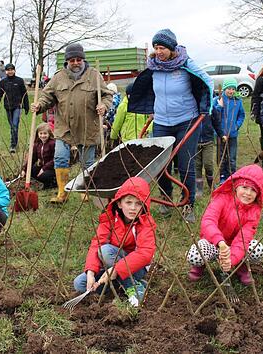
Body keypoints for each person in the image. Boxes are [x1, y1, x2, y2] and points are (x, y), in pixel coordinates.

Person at [128, 28, 213, 223]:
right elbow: (150, 90)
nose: (159, 51)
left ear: (171, 48)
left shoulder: (185, 64)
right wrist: (151, 108)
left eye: (162, 48)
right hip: (162, 122)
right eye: (156, 47)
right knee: (159, 164)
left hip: (187, 120)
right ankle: (166, 198)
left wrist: (206, 106)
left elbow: (207, 82)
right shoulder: (153, 67)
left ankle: (188, 204)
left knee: (185, 164)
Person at [31, 42, 113, 204]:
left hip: (88, 127)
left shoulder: (94, 75)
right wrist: (39, 105)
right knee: (60, 158)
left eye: (78, 59)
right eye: (72, 60)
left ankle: (86, 190)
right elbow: (47, 96)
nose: (75, 63)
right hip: (64, 128)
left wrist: (104, 105)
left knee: (87, 162)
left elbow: (107, 95)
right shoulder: (58, 77)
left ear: (83, 60)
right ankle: (62, 192)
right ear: (67, 61)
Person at [73, 177, 157, 307]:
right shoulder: (110, 218)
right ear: (119, 203)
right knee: (80, 284)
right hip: (111, 264)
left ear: (144, 205)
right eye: (128, 202)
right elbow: (97, 243)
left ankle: (133, 287)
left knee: (105, 251)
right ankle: (129, 284)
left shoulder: (145, 223)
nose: (133, 208)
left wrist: (117, 269)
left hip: (136, 267)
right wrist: (90, 272)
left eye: (139, 203)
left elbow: (145, 253)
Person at [186, 165, 263, 284]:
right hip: (213, 243)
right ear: (236, 186)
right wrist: (220, 242)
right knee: (195, 254)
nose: (248, 193)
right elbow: (208, 221)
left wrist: (231, 259)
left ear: (258, 194)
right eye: (244, 187)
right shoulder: (222, 198)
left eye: (253, 190)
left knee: (257, 248)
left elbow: (243, 239)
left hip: (234, 247)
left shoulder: (253, 212)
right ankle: (200, 265)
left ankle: (241, 265)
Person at [212, 77, 245, 184]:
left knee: (232, 157)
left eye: (233, 89)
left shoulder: (238, 101)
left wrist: (237, 125)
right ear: (225, 88)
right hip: (221, 134)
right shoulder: (217, 100)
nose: (231, 91)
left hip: (233, 134)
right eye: (229, 88)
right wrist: (219, 105)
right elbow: (214, 115)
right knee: (222, 157)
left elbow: (241, 115)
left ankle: (232, 176)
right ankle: (222, 176)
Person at [0, 63, 30, 153]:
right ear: (5, 71)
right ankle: (15, 143)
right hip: (8, 107)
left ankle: (13, 145)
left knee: (14, 125)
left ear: (14, 70)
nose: (10, 71)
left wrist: (26, 106)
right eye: (8, 70)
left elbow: (24, 94)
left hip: (17, 106)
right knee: (12, 127)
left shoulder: (19, 81)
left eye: (11, 70)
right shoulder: (3, 82)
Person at [195, 92, 224, 198]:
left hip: (208, 141)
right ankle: (199, 187)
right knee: (197, 166)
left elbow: (217, 123)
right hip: (195, 142)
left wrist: (221, 134)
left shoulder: (211, 110)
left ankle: (211, 184)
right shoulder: (192, 111)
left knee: (208, 164)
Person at [20, 122, 57, 189]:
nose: (43, 136)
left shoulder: (52, 143)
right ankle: (46, 183)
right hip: (43, 166)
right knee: (30, 171)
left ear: (49, 134)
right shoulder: (37, 144)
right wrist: (24, 170)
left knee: (43, 176)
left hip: (52, 168)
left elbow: (55, 159)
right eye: (41, 133)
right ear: (38, 134)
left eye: (45, 133)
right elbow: (32, 158)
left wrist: (43, 168)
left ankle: (53, 182)